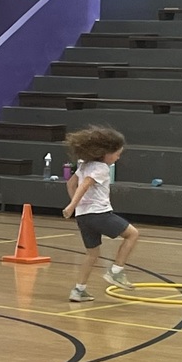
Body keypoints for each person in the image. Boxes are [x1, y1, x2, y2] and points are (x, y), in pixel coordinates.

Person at [62, 125, 140, 302]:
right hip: (99, 214)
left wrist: (78, 207)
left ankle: (78, 290)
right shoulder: (101, 168)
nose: (118, 158)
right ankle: (116, 271)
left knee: (92, 254)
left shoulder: (84, 165)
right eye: (117, 154)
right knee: (132, 234)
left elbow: (70, 184)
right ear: (106, 152)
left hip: (84, 217)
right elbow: (84, 185)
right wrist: (71, 205)